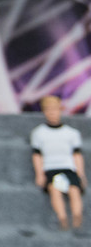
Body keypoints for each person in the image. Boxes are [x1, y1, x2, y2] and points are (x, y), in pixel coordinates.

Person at [30, 94, 84, 230]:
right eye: (48, 109)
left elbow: (77, 155)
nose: (52, 113)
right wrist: (39, 174)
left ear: (60, 110)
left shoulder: (71, 133)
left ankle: (77, 220)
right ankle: (62, 219)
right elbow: (37, 155)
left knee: (74, 190)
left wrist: (81, 174)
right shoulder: (39, 133)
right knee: (55, 189)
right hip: (51, 168)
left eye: (55, 109)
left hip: (68, 167)